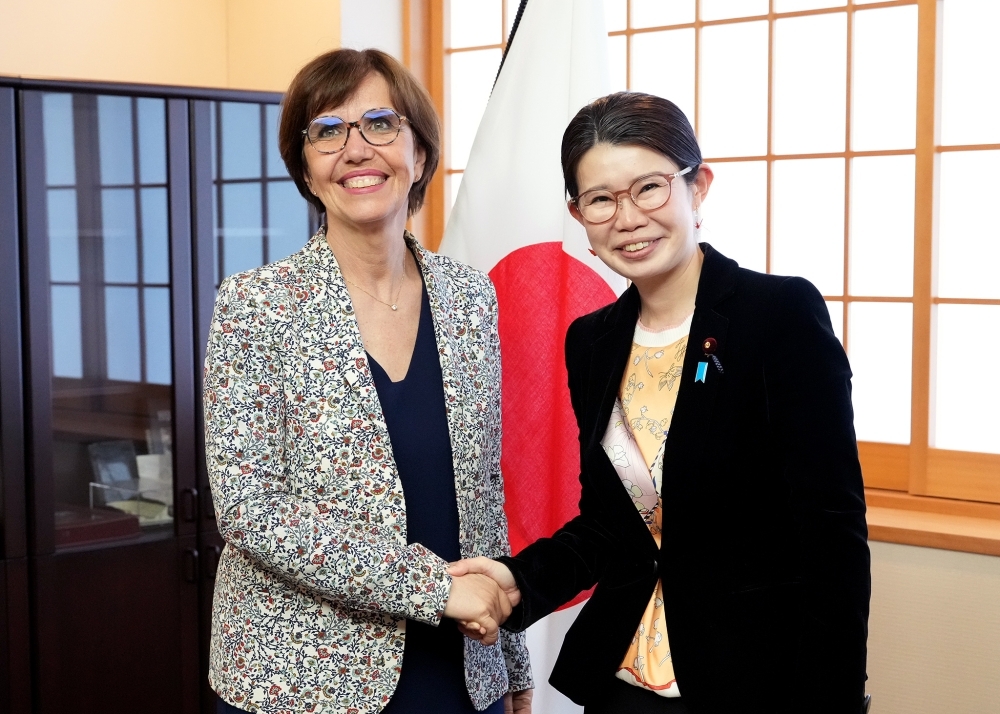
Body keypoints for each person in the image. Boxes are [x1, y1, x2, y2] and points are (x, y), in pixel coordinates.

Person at [449, 92, 871, 714]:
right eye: (600, 200)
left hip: (754, 682)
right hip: (622, 682)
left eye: (649, 187)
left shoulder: (776, 316)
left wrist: (833, 700)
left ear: (697, 187)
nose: (628, 218)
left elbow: (832, 531)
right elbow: (608, 525)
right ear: (579, 214)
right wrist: (517, 580)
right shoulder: (590, 342)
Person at [203, 48, 533, 714]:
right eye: (327, 130)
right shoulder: (257, 303)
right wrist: (433, 589)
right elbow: (251, 509)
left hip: (460, 662)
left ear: (420, 154)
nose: (355, 148)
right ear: (306, 166)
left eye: (380, 124)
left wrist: (512, 663)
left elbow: (481, 490)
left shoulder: (470, 298)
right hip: (300, 677)